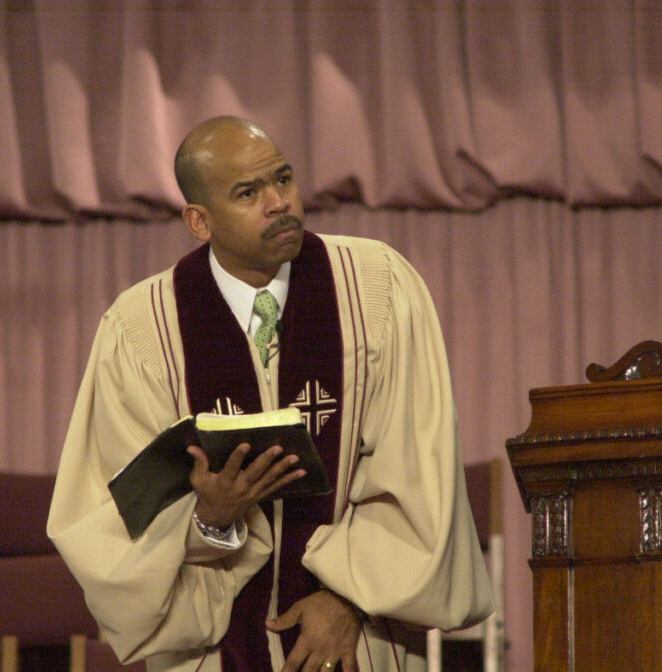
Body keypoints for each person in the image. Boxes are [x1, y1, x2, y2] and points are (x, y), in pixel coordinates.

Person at [48, 116, 493, 672]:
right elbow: (109, 518)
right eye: (248, 192)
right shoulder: (142, 330)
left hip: (357, 644)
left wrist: (349, 599)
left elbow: (418, 474)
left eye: (282, 179)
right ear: (199, 221)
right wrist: (212, 518)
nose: (279, 202)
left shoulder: (377, 289)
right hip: (212, 648)